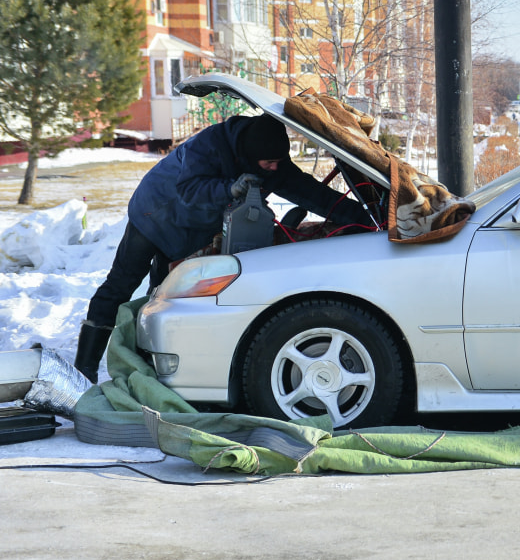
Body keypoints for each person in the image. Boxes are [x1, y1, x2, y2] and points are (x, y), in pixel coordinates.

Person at [74, 114, 370, 382]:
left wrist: (366, 216)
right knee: (122, 283)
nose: (274, 168)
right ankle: (84, 368)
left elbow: (310, 193)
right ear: (251, 156)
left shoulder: (270, 159)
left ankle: (148, 363)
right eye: (269, 163)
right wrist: (230, 188)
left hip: (194, 226)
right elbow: (189, 189)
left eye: (278, 162)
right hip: (156, 212)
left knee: (164, 293)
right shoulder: (212, 144)